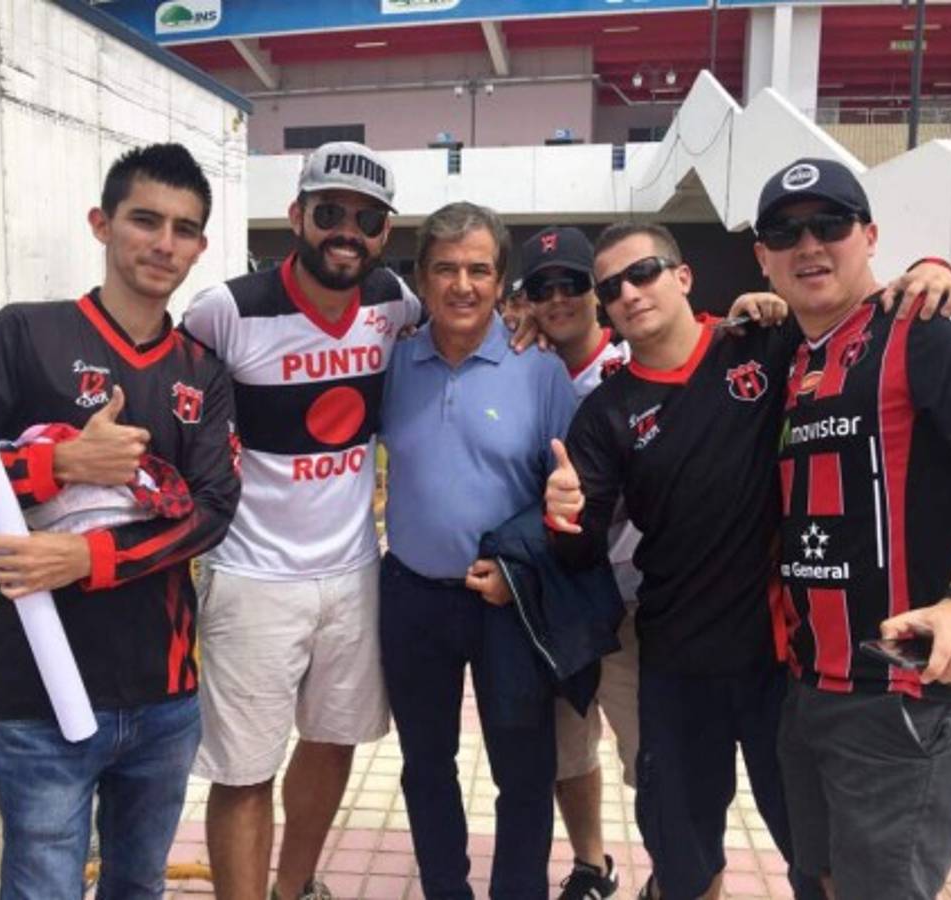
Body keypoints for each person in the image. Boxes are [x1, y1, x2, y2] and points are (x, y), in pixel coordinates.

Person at [543, 221, 951, 900]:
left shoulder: (762, 342)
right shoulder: (605, 413)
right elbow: (579, 549)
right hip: (676, 664)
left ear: (682, 278)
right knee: (684, 866)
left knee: (818, 862)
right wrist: (563, 515)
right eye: (611, 287)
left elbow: (849, 308)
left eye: (644, 271)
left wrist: (930, 264)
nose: (629, 292)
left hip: (784, 666)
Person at [0, 143, 241, 899]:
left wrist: (86, 557)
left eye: (183, 229)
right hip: (36, 697)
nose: (163, 243)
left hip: (164, 695)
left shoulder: (201, 372)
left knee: (137, 887)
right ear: (101, 224)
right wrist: (59, 467)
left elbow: (212, 512)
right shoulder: (26, 336)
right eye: (144, 220)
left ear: (200, 247)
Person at [752, 157, 951, 900]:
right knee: (816, 880)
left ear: (869, 235)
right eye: (784, 233)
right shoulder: (790, 352)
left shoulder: (928, 323)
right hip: (810, 685)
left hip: (905, 690)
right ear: (761, 256)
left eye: (830, 224)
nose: (808, 245)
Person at [181, 141, 421, 900]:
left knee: (333, 739)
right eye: (328, 213)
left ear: (384, 233)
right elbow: (174, 398)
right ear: (296, 216)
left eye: (366, 219)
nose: (345, 231)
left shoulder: (395, 302)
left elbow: (466, 333)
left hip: (352, 572)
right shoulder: (227, 309)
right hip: (252, 577)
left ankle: (295, 887)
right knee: (243, 767)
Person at [378, 202, 578, 899]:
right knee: (424, 764)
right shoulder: (392, 361)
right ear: (421, 278)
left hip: (508, 603)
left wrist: (522, 568)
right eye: (444, 269)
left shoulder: (539, 371)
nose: (461, 285)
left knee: (523, 770)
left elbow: (573, 494)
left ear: (501, 283)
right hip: (410, 596)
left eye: (478, 270)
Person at [517, 226, 637, 898]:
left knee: (648, 754)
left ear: (599, 291)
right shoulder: (522, 371)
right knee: (568, 751)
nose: (558, 298)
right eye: (543, 287)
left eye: (572, 283)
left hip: (634, 596)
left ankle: (673, 869)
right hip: (554, 600)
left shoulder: (635, 360)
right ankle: (591, 866)